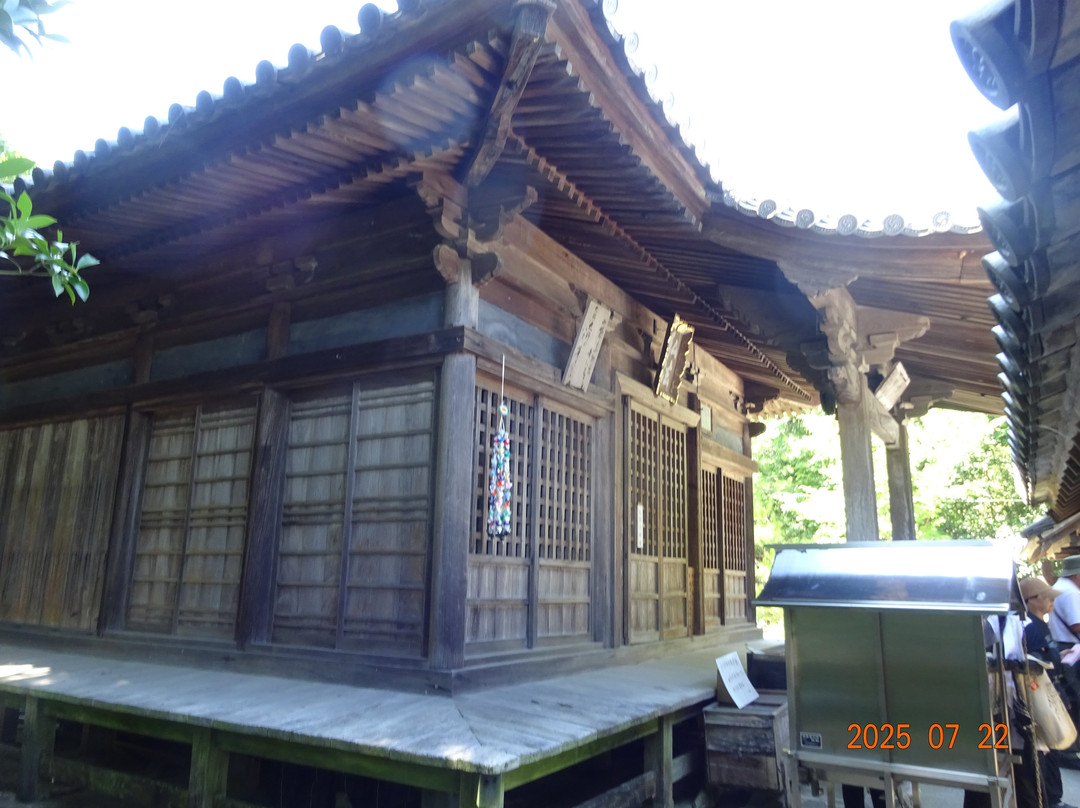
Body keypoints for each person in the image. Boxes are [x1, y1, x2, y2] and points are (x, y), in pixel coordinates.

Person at [1020, 576, 1067, 808]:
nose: (1051, 601)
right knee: (1045, 749)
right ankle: (1050, 799)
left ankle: (1053, 798)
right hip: (1039, 694)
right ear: (1031, 601)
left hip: (1052, 690)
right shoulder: (1028, 627)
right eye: (1046, 597)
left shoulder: (1041, 624)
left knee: (1053, 747)